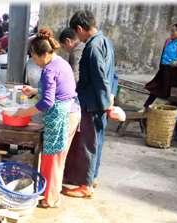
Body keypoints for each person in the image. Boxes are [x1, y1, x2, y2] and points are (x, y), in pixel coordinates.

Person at [13, 28, 80, 208]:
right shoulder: (61, 62)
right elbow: (59, 90)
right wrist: (35, 91)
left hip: (61, 118)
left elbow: (47, 103)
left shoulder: (48, 70)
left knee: (52, 159)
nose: (34, 61)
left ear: (44, 55)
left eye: (34, 58)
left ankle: (51, 200)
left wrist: (24, 112)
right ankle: (52, 193)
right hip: (71, 113)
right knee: (57, 158)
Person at [62, 10, 119, 198]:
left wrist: (106, 104)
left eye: (76, 33)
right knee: (97, 142)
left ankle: (86, 186)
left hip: (93, 104)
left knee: (88, 143)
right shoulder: (106, 42)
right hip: (100, 102)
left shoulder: (92, 46)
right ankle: (91, 177)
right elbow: (113, 75)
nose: (77, 37)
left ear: (79, 28)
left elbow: (100, 77)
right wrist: (110, 96)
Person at [143, 23, 177, 110]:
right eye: (171, 31)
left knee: (174, 93)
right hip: (164, 69)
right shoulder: (168, 40)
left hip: (175, 72)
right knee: (156, 87)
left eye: (173, 31)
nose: (171, 33)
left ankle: (172, 111)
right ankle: (145, 107)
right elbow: (163, 53)